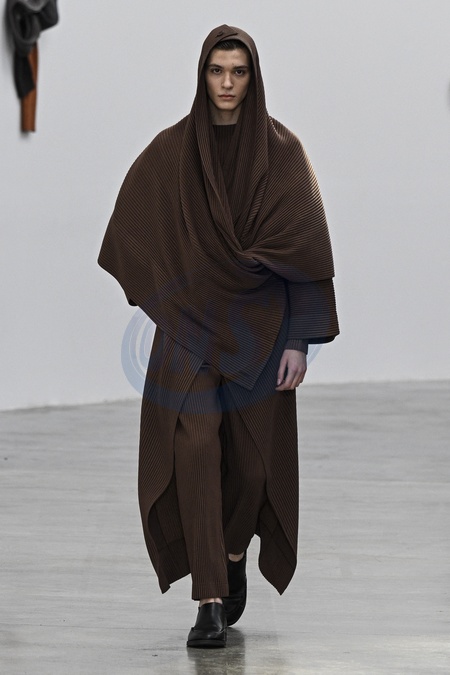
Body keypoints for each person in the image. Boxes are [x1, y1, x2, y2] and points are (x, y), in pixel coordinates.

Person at [98, 24, 339, 649]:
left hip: (260, 328)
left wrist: (299, 340)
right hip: (189, 328)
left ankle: (232, 553)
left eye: (238, 71)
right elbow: (131, 228)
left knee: (254, 465)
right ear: (202, 75)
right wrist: (164, 293)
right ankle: (208, 599)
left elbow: (307, 250)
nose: (226, 83)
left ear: (252, 78)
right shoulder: (172, 151)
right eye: (216, 70)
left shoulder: (284, 155)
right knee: (196, 446)